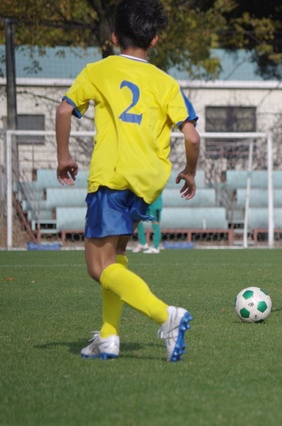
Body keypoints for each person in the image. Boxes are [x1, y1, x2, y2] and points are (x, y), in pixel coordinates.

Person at [55, 0, 200, 361]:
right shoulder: (166, 82)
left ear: (114, 36)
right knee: (115, 257)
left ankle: (166, 315)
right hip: (146, 184)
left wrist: (64, 157)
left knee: (97, 267)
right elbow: (192, 137)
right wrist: (189, 171)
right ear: (154, 40)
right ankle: (108, 335)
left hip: (111, 177)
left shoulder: (98, 70)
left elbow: (64, 110)